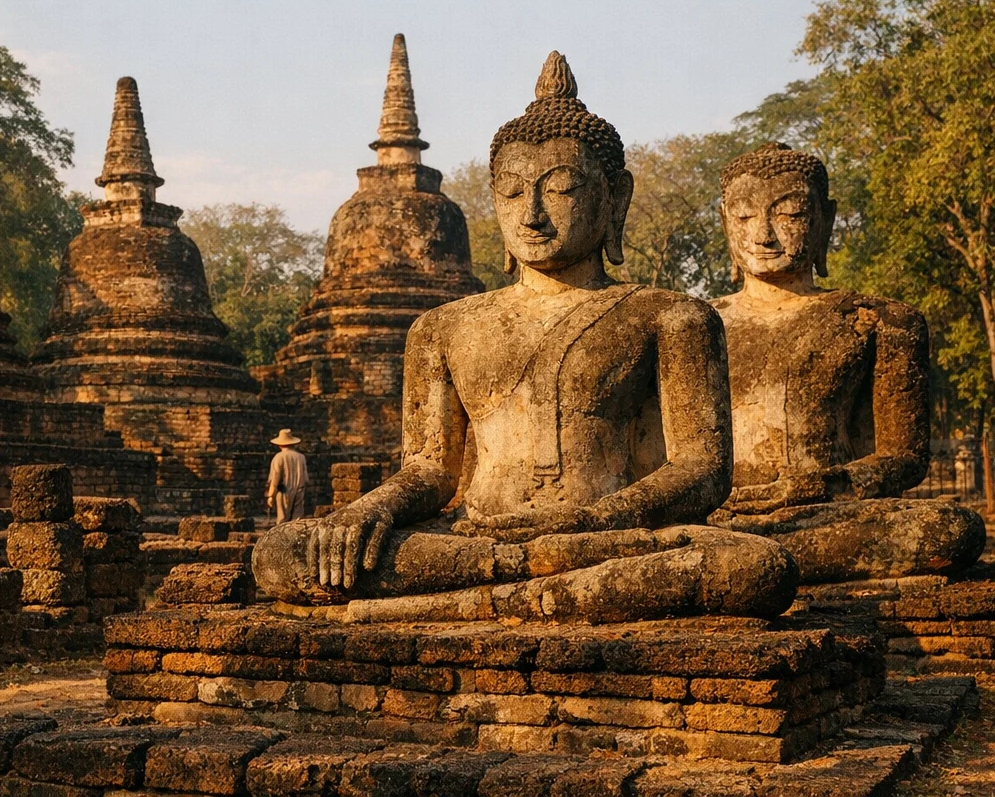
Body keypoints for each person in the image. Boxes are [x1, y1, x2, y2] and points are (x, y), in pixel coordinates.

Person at [250, 52, 796, 623]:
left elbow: (702, 470)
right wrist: (367, 510)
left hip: (606, 539)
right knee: (283, 555)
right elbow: (431, 472)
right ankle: (531, 593)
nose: (531, 214)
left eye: (559, 189)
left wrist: (591, 521)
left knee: (748, 568)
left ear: (615, 199)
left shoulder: (671, 316)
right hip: (479, 541)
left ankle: (476, 603)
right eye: (511, 192)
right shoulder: (442, 328)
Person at [708, 143, 984, 581]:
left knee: (951, 531)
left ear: (825, 220)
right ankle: (752, 565)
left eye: (790, 215)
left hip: (822, 517)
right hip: (721, 522)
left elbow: (904, 457)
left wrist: (816, 486)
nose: (763, 234)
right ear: (726, 222)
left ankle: (752, 568)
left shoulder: (880, 320)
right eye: (744, 217)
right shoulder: (697, 324)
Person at [266, 429, 308, 523]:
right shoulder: (301, 457)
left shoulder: (279, 457)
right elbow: (305, 479)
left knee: (282, 521)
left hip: (284, 491)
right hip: (299, 491)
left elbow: (275, 479)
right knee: (297, 522)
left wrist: (271, 495)